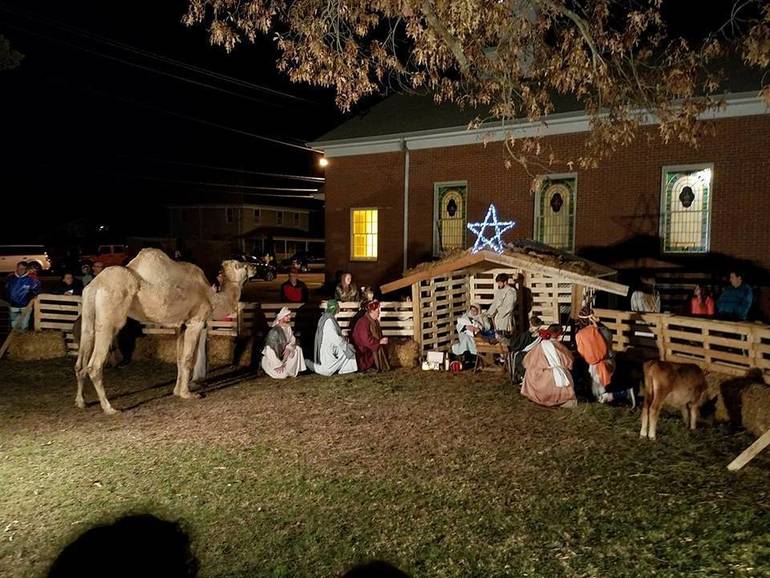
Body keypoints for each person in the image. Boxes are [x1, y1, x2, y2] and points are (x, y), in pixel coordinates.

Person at [574, 307, 634, 406]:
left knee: (598, 396)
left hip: (595, 366)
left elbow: (582, 353)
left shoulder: (580, 335)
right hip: (610, 362)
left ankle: (623, 394)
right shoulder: (605, 330)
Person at [521, 324, 577, 408]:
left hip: (539, 378)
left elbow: (527, 361)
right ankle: (560, 399)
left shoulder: (539, 346)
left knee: (530, 371)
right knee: (563, 372)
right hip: (553, 379)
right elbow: (569, 361)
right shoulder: (559, 347)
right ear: (558, 334)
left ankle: (537, 396)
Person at [307, 299, 358, 376]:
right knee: (328, 371)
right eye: (338, 307)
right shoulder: (328, 321)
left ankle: (345, 369)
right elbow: (335, 338)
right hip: (328, 349)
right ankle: (308, 363)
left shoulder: (328, 318)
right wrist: (344, 343)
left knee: (349, 348)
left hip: (333, 346)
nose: (339, 308)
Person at [260, 307, 306, 378]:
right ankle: (272, 369)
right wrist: (277, 365)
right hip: (271, 360)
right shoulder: (274, 332)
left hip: (283, 356)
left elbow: (292, 340)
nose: (289, 317)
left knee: (297, 349)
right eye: (287, 315)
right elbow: (269, 350)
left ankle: (290, 370)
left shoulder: (288, 327)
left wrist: (289, 347)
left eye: (289, 315)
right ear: (281, 317)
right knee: (283, 375)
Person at [351, 300, 390, 371]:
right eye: (377, 310)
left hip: (369, 347)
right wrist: (379, 342)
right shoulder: (363, 322)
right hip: (363, 351)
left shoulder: (374, 322)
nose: (379, 312)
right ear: (372, 311)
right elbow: (366, 340)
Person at [507, 315, 544, 386]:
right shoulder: (536, 335)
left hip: (527, 353)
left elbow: (518, 345)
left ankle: (520, 377)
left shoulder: (529, 335)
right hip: (534, 353)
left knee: (516, 356)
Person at [4, 261, 41, 331]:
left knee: (24, 325)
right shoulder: (10, 278)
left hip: (26, 306)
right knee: (14, 325)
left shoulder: (32, 279)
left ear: (26, 269)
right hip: (13, 306)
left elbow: (36, 292)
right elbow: (6, 291)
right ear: (17, 268)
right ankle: (14, 340)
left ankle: (23, 339)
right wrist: (9, 300)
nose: (21, 270)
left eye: (23, 268)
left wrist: (30, 301)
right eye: (20, 268)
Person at [487, 273, 516, 344]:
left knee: (505, 338)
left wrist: (500, 313)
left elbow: (509, 307)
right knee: (497, 338)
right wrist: (490, 313)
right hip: (497, 318)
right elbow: (495, 304)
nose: (498, 285)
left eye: (500, 283)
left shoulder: (511, 292)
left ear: (505, 282)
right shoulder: (499, 291)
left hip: (505, 318)